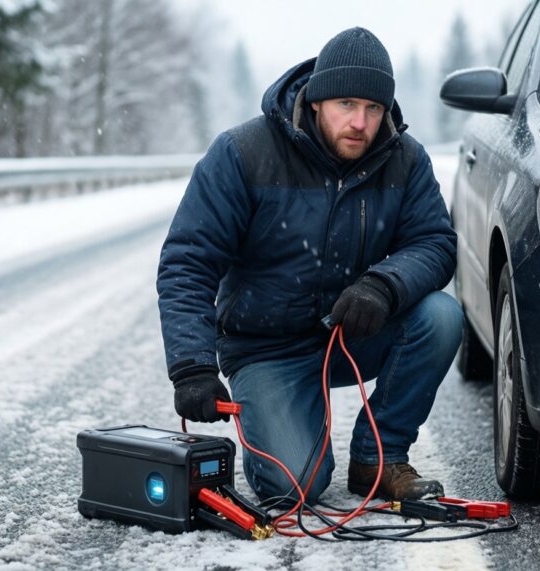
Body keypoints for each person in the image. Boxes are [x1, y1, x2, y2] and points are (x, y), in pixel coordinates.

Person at [157, 27, 461, 504]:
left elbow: (435, 242)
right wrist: (192, 367)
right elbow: (188, 262)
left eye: (374, 109)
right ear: (316, 100)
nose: (360, 122)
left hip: (350, 333)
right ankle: (286, 434)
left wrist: (382, 286)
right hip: (266, 347)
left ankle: (378, 458)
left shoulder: (405, 159)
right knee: (296, 489)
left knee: (440, 317)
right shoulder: (242, 154)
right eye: (346, 105)